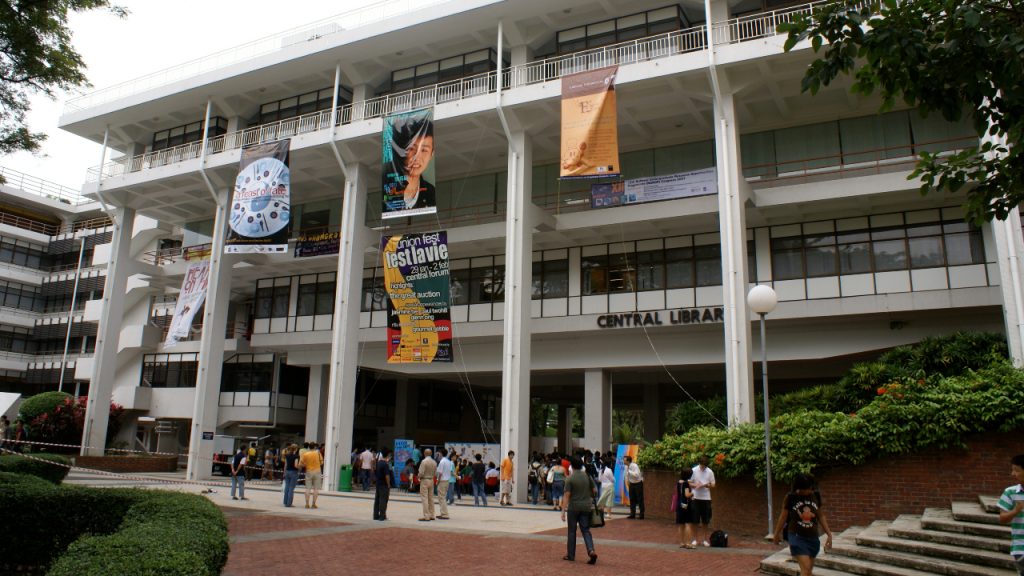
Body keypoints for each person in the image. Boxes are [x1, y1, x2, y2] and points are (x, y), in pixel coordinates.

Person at [773, 474, 833, 576]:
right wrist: (776, 534)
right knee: (806, 569)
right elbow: (783, 517)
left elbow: (821, 516)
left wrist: (829, 534)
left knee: (808, 572)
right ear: (799, 488)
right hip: (796, 537)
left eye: (811, 488)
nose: (810, 491)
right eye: (808, 489)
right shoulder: (791, 497)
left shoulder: (815, 495)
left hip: (813, 538)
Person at [561, 456, 598, 564]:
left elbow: (567, 496)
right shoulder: (587, 476)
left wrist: (563, 511)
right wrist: (588, 496)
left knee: (572, 531)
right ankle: (591, 550)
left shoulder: (570, 479)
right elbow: (595, 490)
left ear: (571, 466)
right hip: (586, 507)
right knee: (586, 530)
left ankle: (571, 555)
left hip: (574, 507)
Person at [997, 454, 1024, 575]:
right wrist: (1015, 511)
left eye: (1016, 470)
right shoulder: (1010, 492)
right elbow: (1002, 519)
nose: (1013, 474)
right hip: (1020, 547)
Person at [690, 455, 716, 546]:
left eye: (704, 466)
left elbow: (713, 485)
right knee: (695, 520)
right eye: (701, 465)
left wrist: (704, 485)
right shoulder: (693, 470)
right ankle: (695, 539)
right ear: (699, 463)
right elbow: (689, 482)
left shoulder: (710, 472)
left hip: (706, 498)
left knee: (705, 520)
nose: (703, 467)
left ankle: (705, 539)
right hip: (695, 497)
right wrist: (695, 485)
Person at [300, 440, 324, 509]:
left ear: (309, 447)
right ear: (315, 447)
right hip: (317, 471)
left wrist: (306, 465)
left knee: (308, 488)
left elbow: (301, 463)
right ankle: (314, 504)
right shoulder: (318, 453)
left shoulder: (306, 454)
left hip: (309, 471)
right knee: (316, 489)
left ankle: (307, 504)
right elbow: (322, 463)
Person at [676, 468, 696, 548]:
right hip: (686, 505)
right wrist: (693, 493)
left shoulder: (679, 482)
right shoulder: (686, 484)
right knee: (688, 524)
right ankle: (688, 543)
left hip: (679, 504)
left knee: (681, 524)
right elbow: (687, 494)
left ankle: (682, 542)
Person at [418, 448, 437, 521]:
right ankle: (432, 515)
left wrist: (418, 476)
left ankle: (426, 516)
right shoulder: (434, 462)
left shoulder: (424, 461)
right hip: (431, 480)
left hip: (424, 480)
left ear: (424, 453)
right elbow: (436, 473)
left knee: (424, 498)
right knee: (431, 498)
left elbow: (421, 473)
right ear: (431, 454)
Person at [373, 448, 393, 521]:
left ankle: (375, 515)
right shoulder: (385, 464)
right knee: (383, 500)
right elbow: (387, 475)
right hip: (384, 484)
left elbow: (375, 471)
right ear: (388, 455)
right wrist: (388, 484)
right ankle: (382, 516)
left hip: (378, 483)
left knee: (377, 499)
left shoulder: (379, 463)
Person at [624, 455, 645, 520]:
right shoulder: (626, 467)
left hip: (638, 483)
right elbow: (626, 475)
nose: (623, 461)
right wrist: (627, 481)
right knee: (632, 499)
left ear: (628, 461)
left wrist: (629, 471)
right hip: (632, 484)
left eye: (624, 460)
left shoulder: (634, 466)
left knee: (639, 499)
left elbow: (637, 474)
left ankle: (641, 515)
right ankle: (632, 514)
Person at [435, 447, 452, 519]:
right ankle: (443, 513)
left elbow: (440, 473)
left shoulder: (442, 462)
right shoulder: (448, 461)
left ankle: (445, 514)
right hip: (447, 481)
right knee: (443, 497)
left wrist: (437, 481)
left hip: (442, 481)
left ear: (441, 453)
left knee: (441, 498)